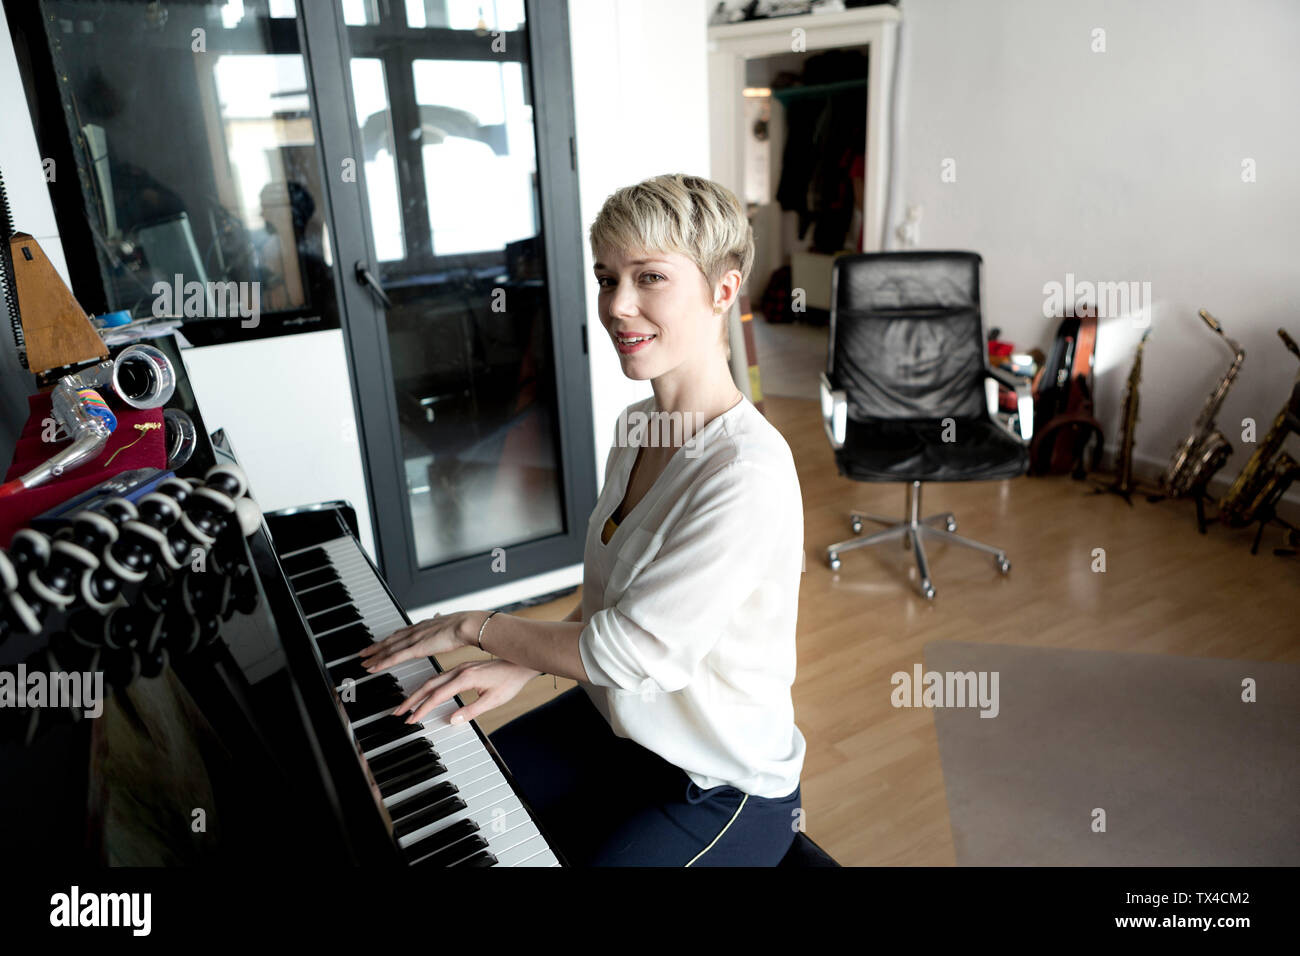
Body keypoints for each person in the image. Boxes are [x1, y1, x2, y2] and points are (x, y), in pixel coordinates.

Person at [359, 173, 806, 866]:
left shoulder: (745, 472)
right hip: (613, 726)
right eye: (606, 278)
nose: (618, 306)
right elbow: (605, 610)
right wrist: (519, 662)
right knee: (442, 794)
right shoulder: (639, 429)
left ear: (723, 289)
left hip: (717, 782)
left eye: (649, 277)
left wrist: (477, 628)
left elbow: (630, 653)